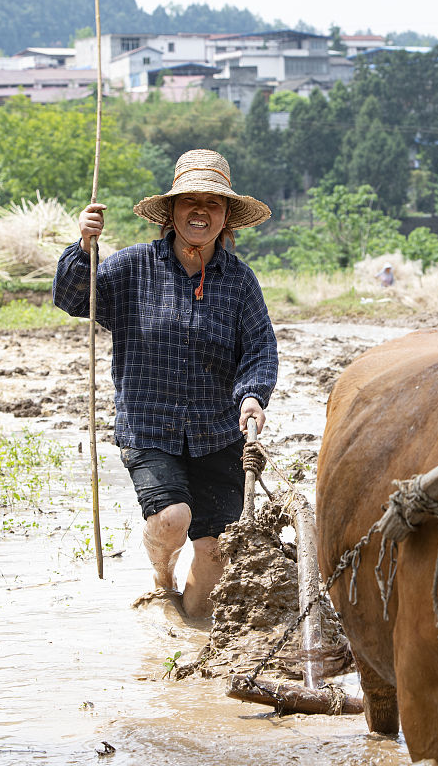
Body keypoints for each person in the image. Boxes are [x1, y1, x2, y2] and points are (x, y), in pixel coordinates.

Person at [53, 149, 278, 618]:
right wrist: (83, 248)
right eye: (189, 202)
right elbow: (74, 299)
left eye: (212, 203)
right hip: (150, 428)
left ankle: (191, 635)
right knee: (172, 518)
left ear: (226, 219)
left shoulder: (239, 283)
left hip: (217, 433)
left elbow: (259, 347)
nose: (200, 211)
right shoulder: (132, 268)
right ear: (172, 213)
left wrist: (253, 395)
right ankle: (162, 580)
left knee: (215, 555)